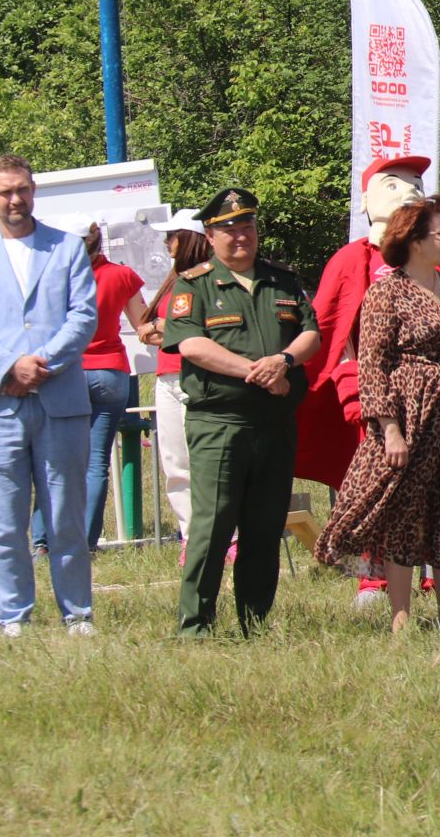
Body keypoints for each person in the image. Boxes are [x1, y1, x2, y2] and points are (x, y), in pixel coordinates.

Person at [317, 199, 440, 633]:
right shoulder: (386, 291)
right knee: (406, 519)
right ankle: (401, 623)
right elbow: (372, 365)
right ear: (414, 241)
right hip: (411, 418)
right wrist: (390, 429)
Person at [161, 187, 320, 636]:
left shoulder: (282, 281)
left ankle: (255, 622)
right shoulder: (194, 284)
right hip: (220, 424)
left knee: (265, 527)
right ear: (210, 236)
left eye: (246, 226)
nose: (239, 236)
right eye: (228, 229)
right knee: (212, 526)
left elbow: (311, 334)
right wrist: (259, 371)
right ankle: (195, 625)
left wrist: (285, 362)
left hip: (274, 424)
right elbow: (191, 345)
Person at [0, 154, 98, 636]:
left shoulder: (65, 248)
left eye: (22, 189)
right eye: (5, 192)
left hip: (58, 400)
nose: (15, 199)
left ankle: (77, 614)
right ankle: (12, 617)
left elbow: (83, 317)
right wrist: (8, 367)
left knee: (66, 517)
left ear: (34, 189)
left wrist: (39, 363)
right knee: (2, 523)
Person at [298, 153, 433, 608]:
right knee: (376, 485)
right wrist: (351, 383)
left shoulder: (435, 252)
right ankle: (371, 576)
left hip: (432, 390)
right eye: (394, 183)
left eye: (416, 182)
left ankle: (436, 569)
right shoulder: (353, 257)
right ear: (367, 200)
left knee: (434, 480)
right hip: (377, 394)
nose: (409, 190)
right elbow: (331, 326)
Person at [54, 213, 148, 552]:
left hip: (67, 373)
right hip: (110, 371)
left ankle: (44, 540)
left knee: (59, 460)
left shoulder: (58, 277)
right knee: (96, 462)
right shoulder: (122, 275)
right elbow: (144, 325)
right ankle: (86, 542)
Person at [136, 210, 210, 546]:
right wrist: (168, 329)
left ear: (189, 239)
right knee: (175, 463)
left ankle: (226, 537)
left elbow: (204, 327)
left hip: (200, 377)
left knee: (206, 461)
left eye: (172, 235)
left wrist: (167, 329)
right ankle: (191, 537)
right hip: (166, 377)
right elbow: (147, 328)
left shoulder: (209, 277)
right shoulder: (174, 279)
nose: (167, 242)